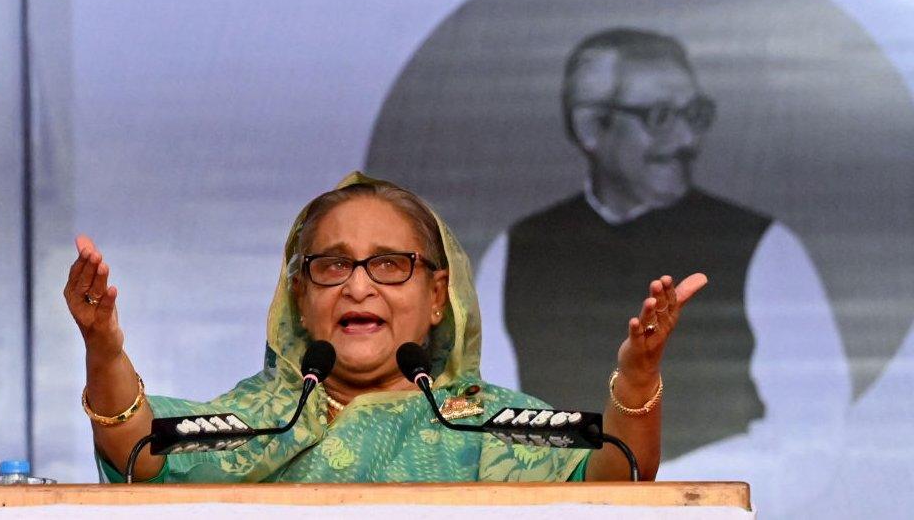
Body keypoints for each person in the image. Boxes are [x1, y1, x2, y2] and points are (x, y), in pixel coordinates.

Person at [64, 172, 706, 482]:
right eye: (333, 264)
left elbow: (616, 479)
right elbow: (138, 450)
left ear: (436, 296)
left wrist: (638, 375)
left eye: (389, 265)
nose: (359, 285)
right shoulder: (261, 420)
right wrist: (103, 346)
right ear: (299, 293)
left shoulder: (484, 427)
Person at [475, 28, 850, 461]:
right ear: (591, 127)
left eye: (695, 114)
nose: (688, 141)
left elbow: (813, 433)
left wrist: (666, 497)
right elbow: (494, 426)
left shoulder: (763, 245)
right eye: (660, 117)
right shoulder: (517, 251)